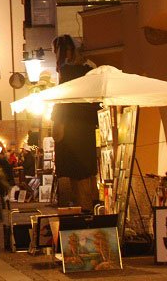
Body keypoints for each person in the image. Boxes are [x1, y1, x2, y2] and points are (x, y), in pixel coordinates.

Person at [51, 35, 100, 211]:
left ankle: (84, 212)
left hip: (73, 136)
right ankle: (90, 209)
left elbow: (62, 104)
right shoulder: (87, 72)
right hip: (85, 132)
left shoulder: (67, 73)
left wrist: (57, 122)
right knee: (86, 178)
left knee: (78, 181)